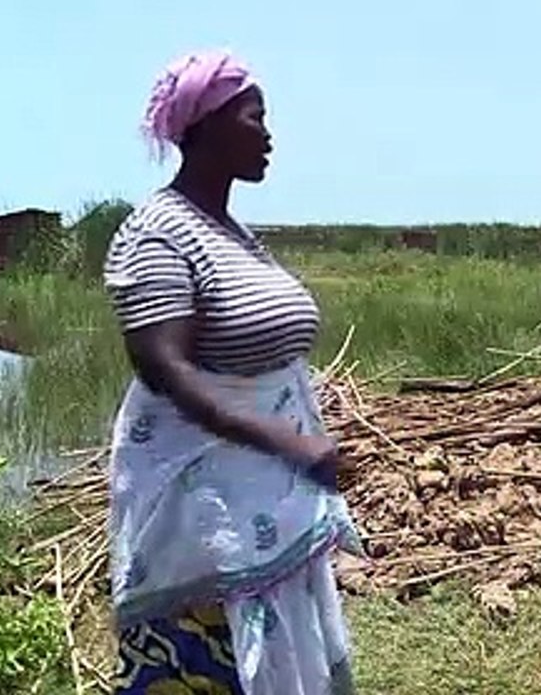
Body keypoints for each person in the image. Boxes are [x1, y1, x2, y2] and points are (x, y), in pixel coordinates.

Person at [102, 49, 364, 695]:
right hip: (206, 511)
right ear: (207, 124)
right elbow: (165, 368)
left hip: (263, 497)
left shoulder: (229, 231)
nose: (268, 134)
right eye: (255, 117)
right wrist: (289, 443)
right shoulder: (159, 232)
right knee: (211, 669)